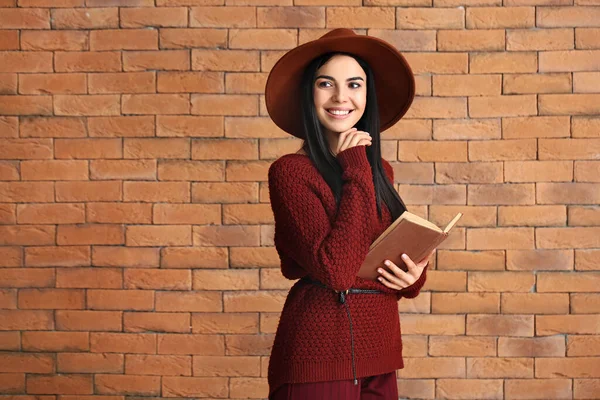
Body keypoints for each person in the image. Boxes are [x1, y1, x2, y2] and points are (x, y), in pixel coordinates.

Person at [264, 28, 433, 399]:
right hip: (319, 350)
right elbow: (337, 270)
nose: (342, 96)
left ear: (368, 96)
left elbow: (385, 255)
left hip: (380, 349)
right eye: (327, 84)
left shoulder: (379, 171)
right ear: (310, 94)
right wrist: (355, 165)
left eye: (354, 84)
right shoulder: (291, 172)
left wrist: (412, 276)